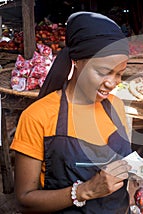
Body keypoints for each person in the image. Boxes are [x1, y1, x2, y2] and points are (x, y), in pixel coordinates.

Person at [10, 11, 133, 213]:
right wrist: (85, 191)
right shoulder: (37, 117)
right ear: (76, 61)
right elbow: (25, 201)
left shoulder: (116, 106)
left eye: (119, 74)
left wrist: (141, 167)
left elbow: (121, 161)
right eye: (103, 72)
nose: (112, 83)